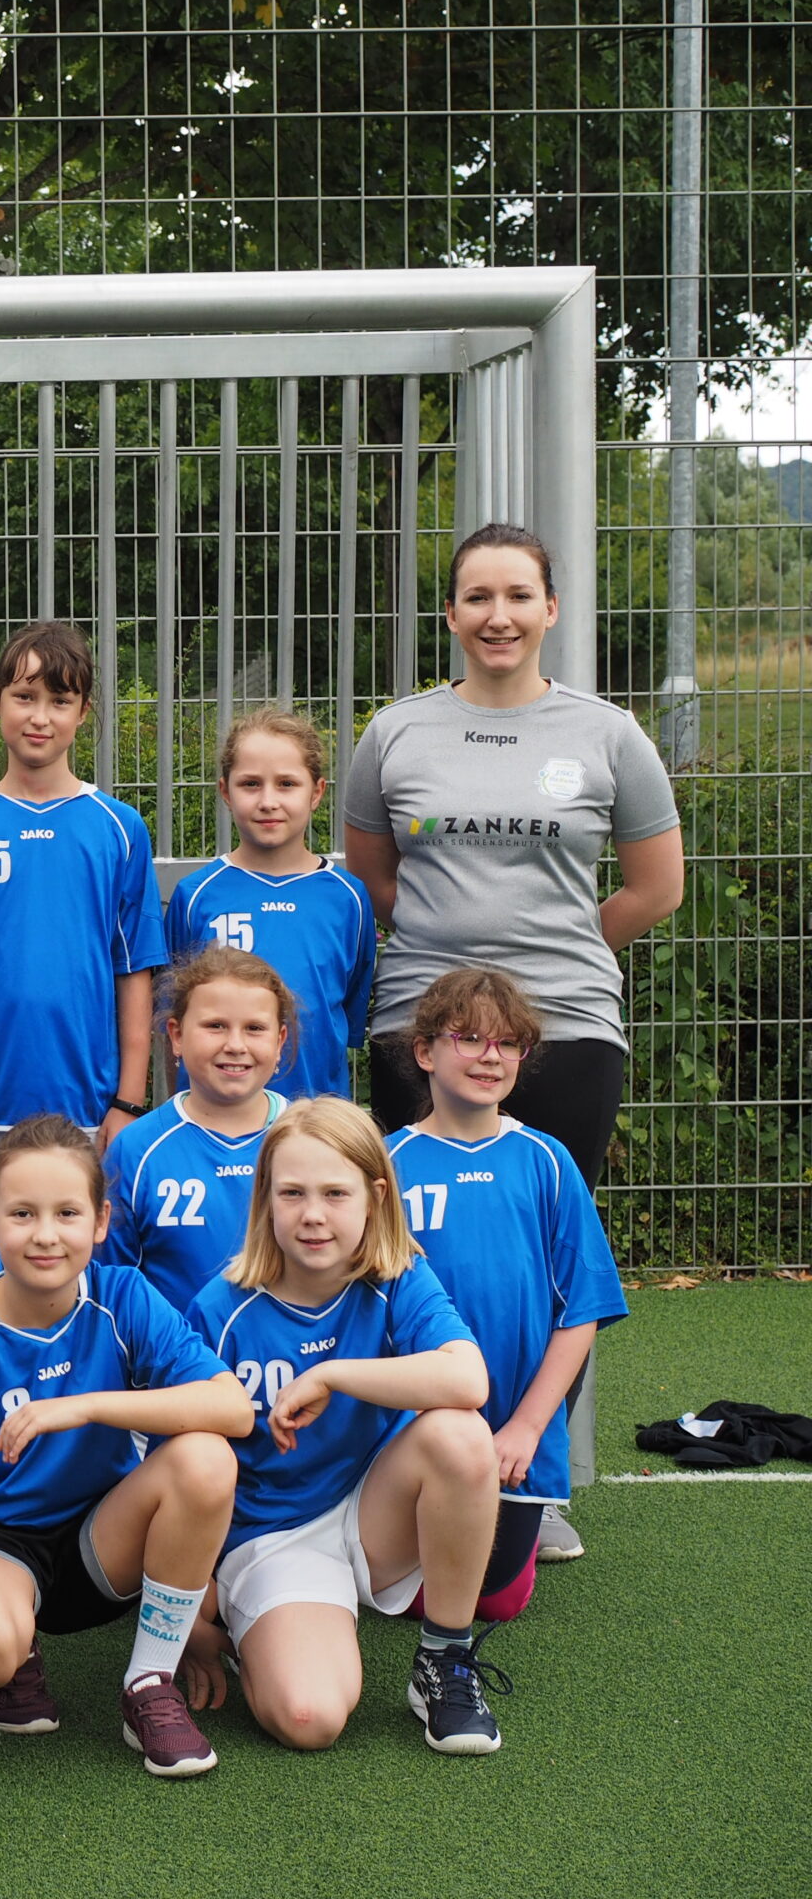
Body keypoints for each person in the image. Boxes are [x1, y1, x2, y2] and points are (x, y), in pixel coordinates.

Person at [344, 521, 681, 1555]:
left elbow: (655, 888)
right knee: (417, 1251)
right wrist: (458, 988)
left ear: (550, 609)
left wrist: (546, 966)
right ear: (450, 614)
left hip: (567, 1028)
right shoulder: (395, 733)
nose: (498, 616)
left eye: (518, 596)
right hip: (419, 1026)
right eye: (478, 598)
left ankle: (530, 1487)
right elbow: (375, 880)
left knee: (542, 1262)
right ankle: (420, 1471)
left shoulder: (607, 734)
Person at [0, 1116, 250, 1781]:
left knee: (207, 1458)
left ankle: (150, 1682)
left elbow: (232, 1408)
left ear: (100, 1221)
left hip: (103, 1540)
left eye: (67, 1213)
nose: (45, 1234)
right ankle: (14, 1652)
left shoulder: (123, 1298)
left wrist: (84, 1406)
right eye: (22, 1213)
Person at [187, 1098, 507, 1754]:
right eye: (293, 1193)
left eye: (336, 1193)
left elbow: (468, 1379)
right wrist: (190, 1605)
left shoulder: (398, 1278)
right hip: (273, 1538)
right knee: (310, 1719)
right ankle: (267, 1634)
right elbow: (178, 1462)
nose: (313, 1214)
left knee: (462, 1436)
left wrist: (333, 1375)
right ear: (264, 1199)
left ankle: (444, 1659)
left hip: (373, 1513)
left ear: (375, 1197)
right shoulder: (221, 1310)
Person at [382, 968, 628, 1622]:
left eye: (508, 1043)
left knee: (495, 1600)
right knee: (391, 1582)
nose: (491, 1056)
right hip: (409, 1429)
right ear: (425, 1051)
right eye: (468, 1038)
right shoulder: (384, 1165)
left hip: (513, 1435)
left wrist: (527, 1427)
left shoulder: (545, 1161)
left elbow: (582, 1310)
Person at [0, 621, 168, 1147]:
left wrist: (127, 1102)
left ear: (83, 711)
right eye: (25, 697)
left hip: (90, 1116)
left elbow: (135, 970)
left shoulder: (119, 828)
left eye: (60, 701)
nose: (40, 717)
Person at [164, 709, 375, 1100]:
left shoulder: (349, 898)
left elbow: (343, 1013)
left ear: (316, 792)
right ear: (225, 791)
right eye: (250, 784)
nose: (268, 801)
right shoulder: (195, 896)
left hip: (314, 1119)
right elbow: (175, 1018)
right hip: (214, 1115)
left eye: (286, 784)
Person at [99, 949, 295, 1317]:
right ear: (176, 1036)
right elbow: (112, 1286)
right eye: (215, 1026)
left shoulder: (313, 1140)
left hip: (295, 1352)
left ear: (279, 1041)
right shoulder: (137, 1150)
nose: (235, 1045)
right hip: (174, 1353)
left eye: (254, 1028)